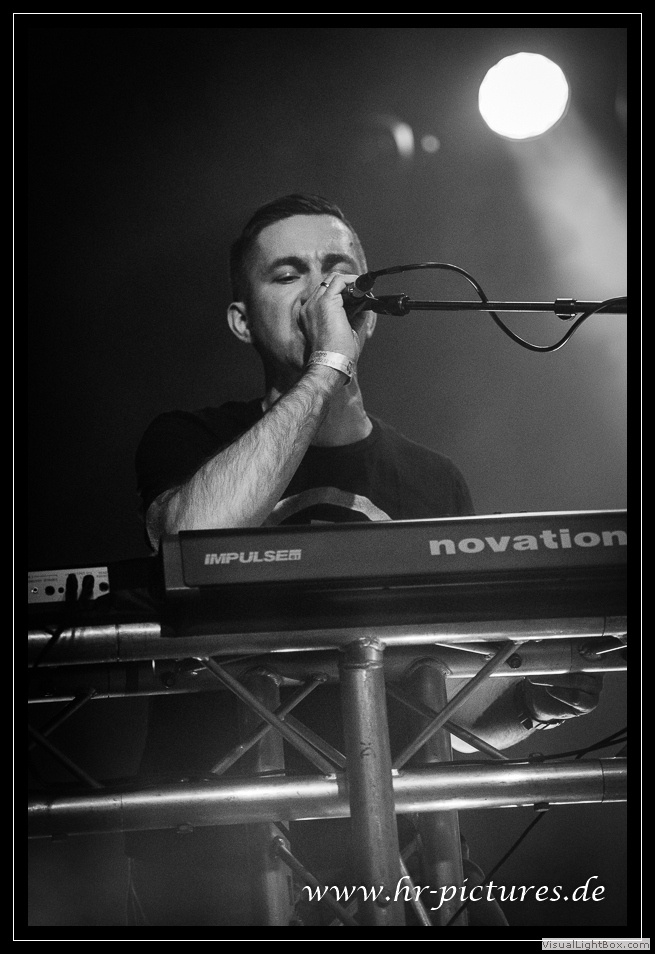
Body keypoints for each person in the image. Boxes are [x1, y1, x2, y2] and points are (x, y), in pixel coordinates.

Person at [127, 193, 603, 927]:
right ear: (242, 320)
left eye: (337, 268)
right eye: (288, 273)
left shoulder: (432, 479)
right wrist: (327, 367)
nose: (321, 289)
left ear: (370, 303)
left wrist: (532, 706)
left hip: (401, 852)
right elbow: (193, 538)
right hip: (214, 858)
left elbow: (442, 706)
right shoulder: (188, 440)